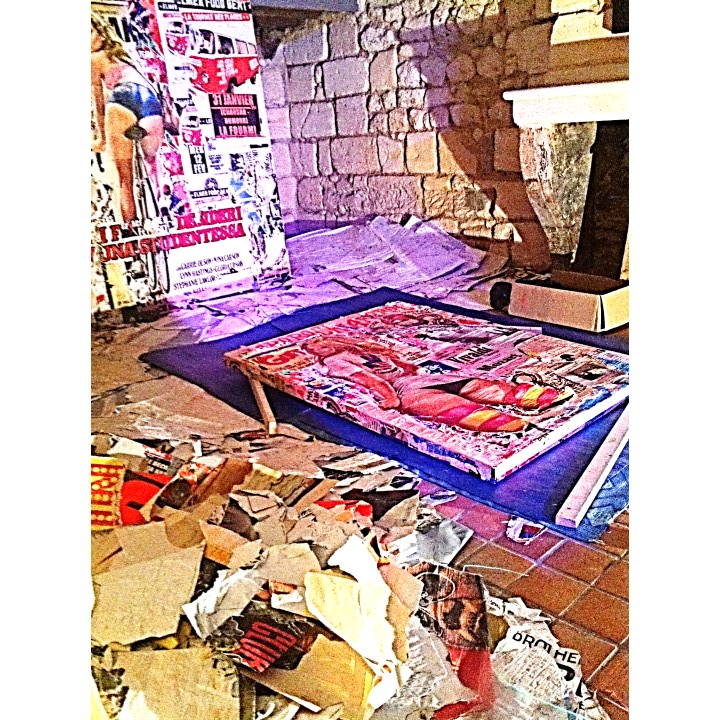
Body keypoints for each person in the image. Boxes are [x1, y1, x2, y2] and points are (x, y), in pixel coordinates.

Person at [301, 335, 572, 433]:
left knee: (462, 397)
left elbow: (377, 375)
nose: (322, 348)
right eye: (316, 347)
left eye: (322, 343)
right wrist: (392, 393)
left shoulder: (347, 355)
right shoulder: (342, 358)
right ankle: (535, 400)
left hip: (410, 385)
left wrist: (390, 396)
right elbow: (375, 377)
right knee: (469, 392)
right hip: (413, 383)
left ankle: (517, 416)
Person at [91, 13, 163, 224]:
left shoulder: (92, 59)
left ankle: (130, 230)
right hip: (150, 102)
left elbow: (99, 102)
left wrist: (102, 139)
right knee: (154, 169)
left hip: (122, 100)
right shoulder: (123, 54)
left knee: (125, 179)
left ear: (100, 32)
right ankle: (162, 220)